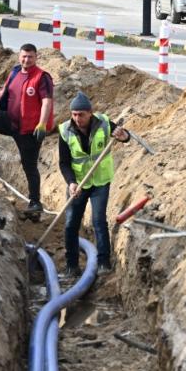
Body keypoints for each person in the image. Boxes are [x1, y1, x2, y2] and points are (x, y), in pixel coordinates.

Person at [0, 44, 54, 219]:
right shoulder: (14, 73)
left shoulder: (42, 78)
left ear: (36, 57)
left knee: (29, 166)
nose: (26, 60)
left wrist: (42, 124)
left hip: (30, 129)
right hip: (10, 121)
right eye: (24, 56)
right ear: (19, 56)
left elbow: (46, 102)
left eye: (30, 57)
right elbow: (3, 94)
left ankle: (35, 203)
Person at [58, 92, 129, 277]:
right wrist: (71, 183)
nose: (77, 118)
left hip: (100, 182)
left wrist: (123, 135)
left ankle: (104, 263)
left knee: (98, 221)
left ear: (90, 113)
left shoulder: (104, 123)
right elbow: (64, 162)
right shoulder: (65, 130)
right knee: (71, 224)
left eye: (81, 114)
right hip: (78, 184)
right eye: (73, 114)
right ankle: (71, 265)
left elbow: (125, 136)